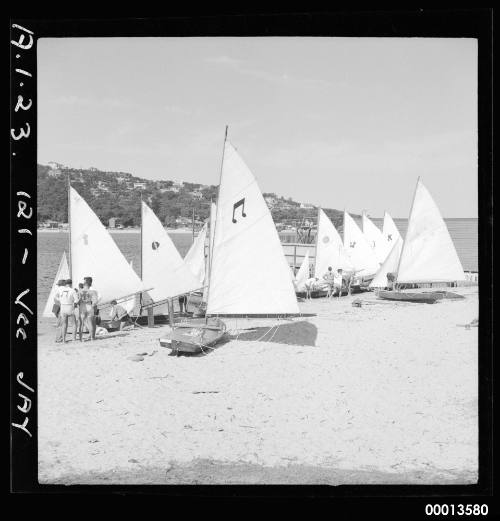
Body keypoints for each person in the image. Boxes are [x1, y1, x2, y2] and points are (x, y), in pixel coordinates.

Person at [56, 279, 79, 343]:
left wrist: (60, 300)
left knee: (64, 324)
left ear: (65, 284)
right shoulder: (73, 290)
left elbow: (56, 297)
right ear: (71, 283)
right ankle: (73, 339)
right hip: (69, 307)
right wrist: (74, 303)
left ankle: (63, 340)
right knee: (74, 324)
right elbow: (76, 300)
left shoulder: (61, 290)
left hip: (63, 307)